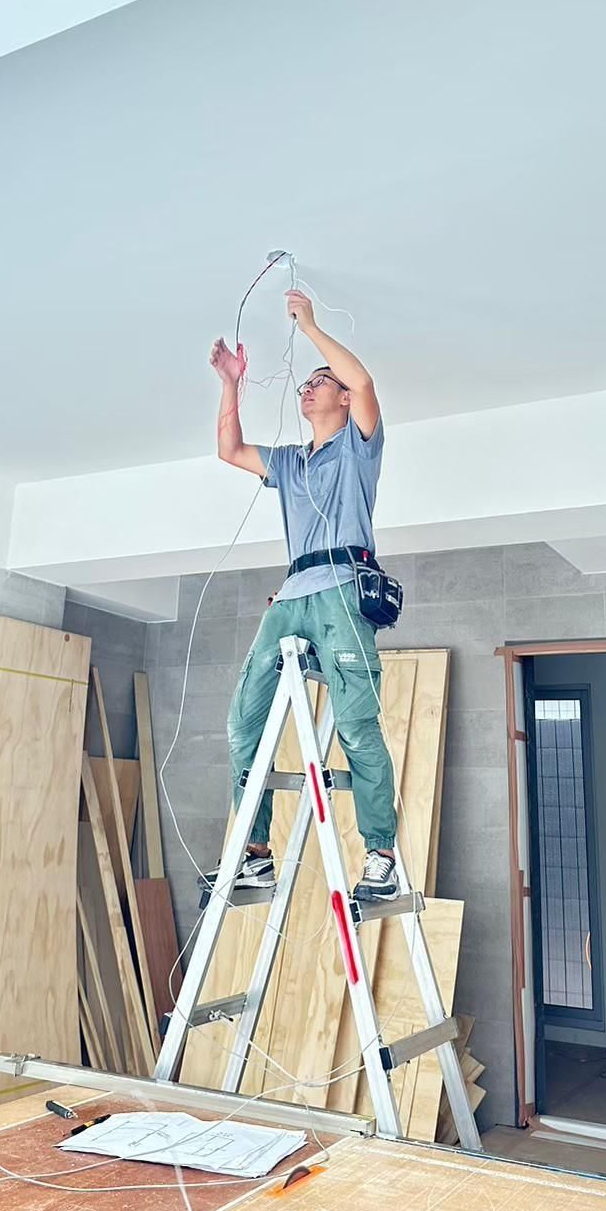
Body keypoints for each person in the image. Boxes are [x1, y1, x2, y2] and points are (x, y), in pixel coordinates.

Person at [208, 288, 398, 900]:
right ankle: (255, 851)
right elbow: (229, 450)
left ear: (341, 399)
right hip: (292, 593)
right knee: (244, 721)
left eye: (321, 382)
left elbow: (363, 381)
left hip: (345, 588)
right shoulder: (290, 463)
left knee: (358, 727)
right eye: (306, 383)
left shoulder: (358, 446)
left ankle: (381, 855)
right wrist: (232, 383)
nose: (307, 388)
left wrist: (309, 326)